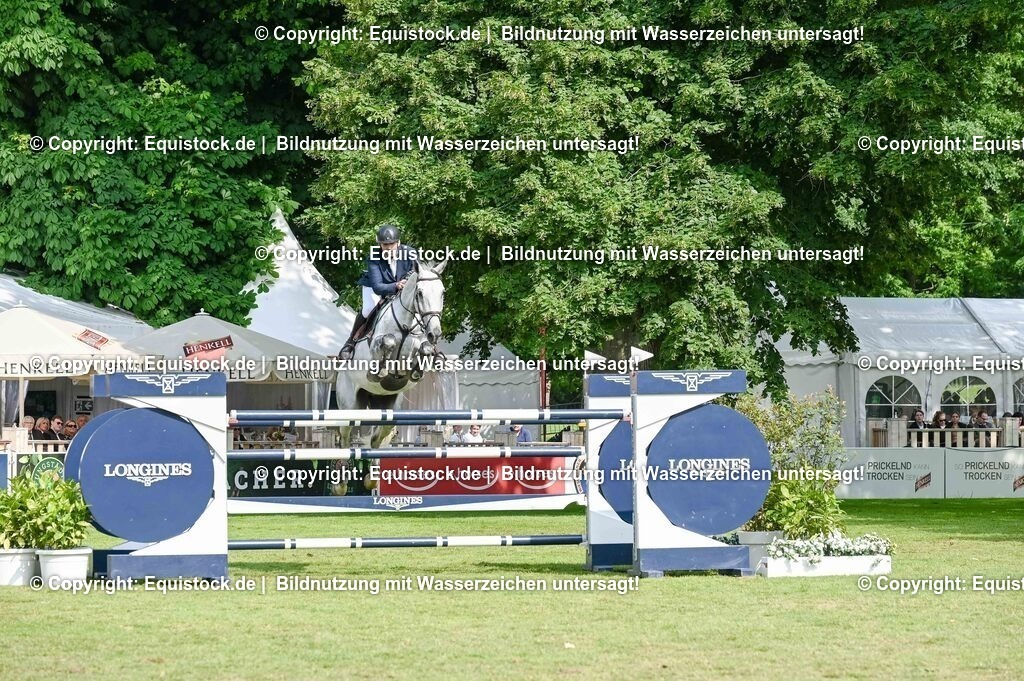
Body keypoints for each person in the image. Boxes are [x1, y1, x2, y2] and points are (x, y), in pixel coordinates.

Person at [339, 224, 419, 359]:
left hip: (403, 287)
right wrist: (396, 285)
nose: (387, 248)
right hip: (374, 286)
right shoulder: (374, 257)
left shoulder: (410, 253)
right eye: (384, 245)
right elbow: (377, 287)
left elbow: (417, 272)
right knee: (368, 309)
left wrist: (406, 282)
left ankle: (432, 346)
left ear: (398, 242)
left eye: (391, 244)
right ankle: (351, 342)